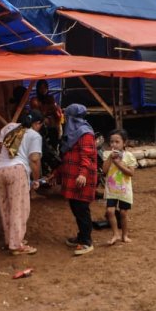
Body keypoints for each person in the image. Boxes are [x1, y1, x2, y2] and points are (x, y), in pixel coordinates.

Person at [0, 110, 44, 256]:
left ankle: (11, 239)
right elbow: (34, 159)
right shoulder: (34, 135)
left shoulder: (9, 127)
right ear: (37, 123)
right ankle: (16, 244)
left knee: (5, 206)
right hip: (17, 170)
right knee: (19, 207)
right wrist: (35, 179)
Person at [59, 104, 98, 256]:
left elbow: (87, 155)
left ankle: (86, 241)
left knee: (82, 209)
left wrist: (82, 173)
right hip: (73, 178)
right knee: (75, 207)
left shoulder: (85, 133)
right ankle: (81, 236)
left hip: (82, 179)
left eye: (67, 116)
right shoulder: (72, 134)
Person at [101, 129, 137, 245]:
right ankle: (115, 234)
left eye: (117, 142)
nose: (114, 144)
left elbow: (131, 173)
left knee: (123, 213)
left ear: (124, 143)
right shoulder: (107, 155)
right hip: (111, 190)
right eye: (112, 142)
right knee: (110, 211)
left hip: (124, 190)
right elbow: (104, 171)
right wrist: (111, 159)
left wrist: (118, 163)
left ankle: (124, 235)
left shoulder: (129, 156)